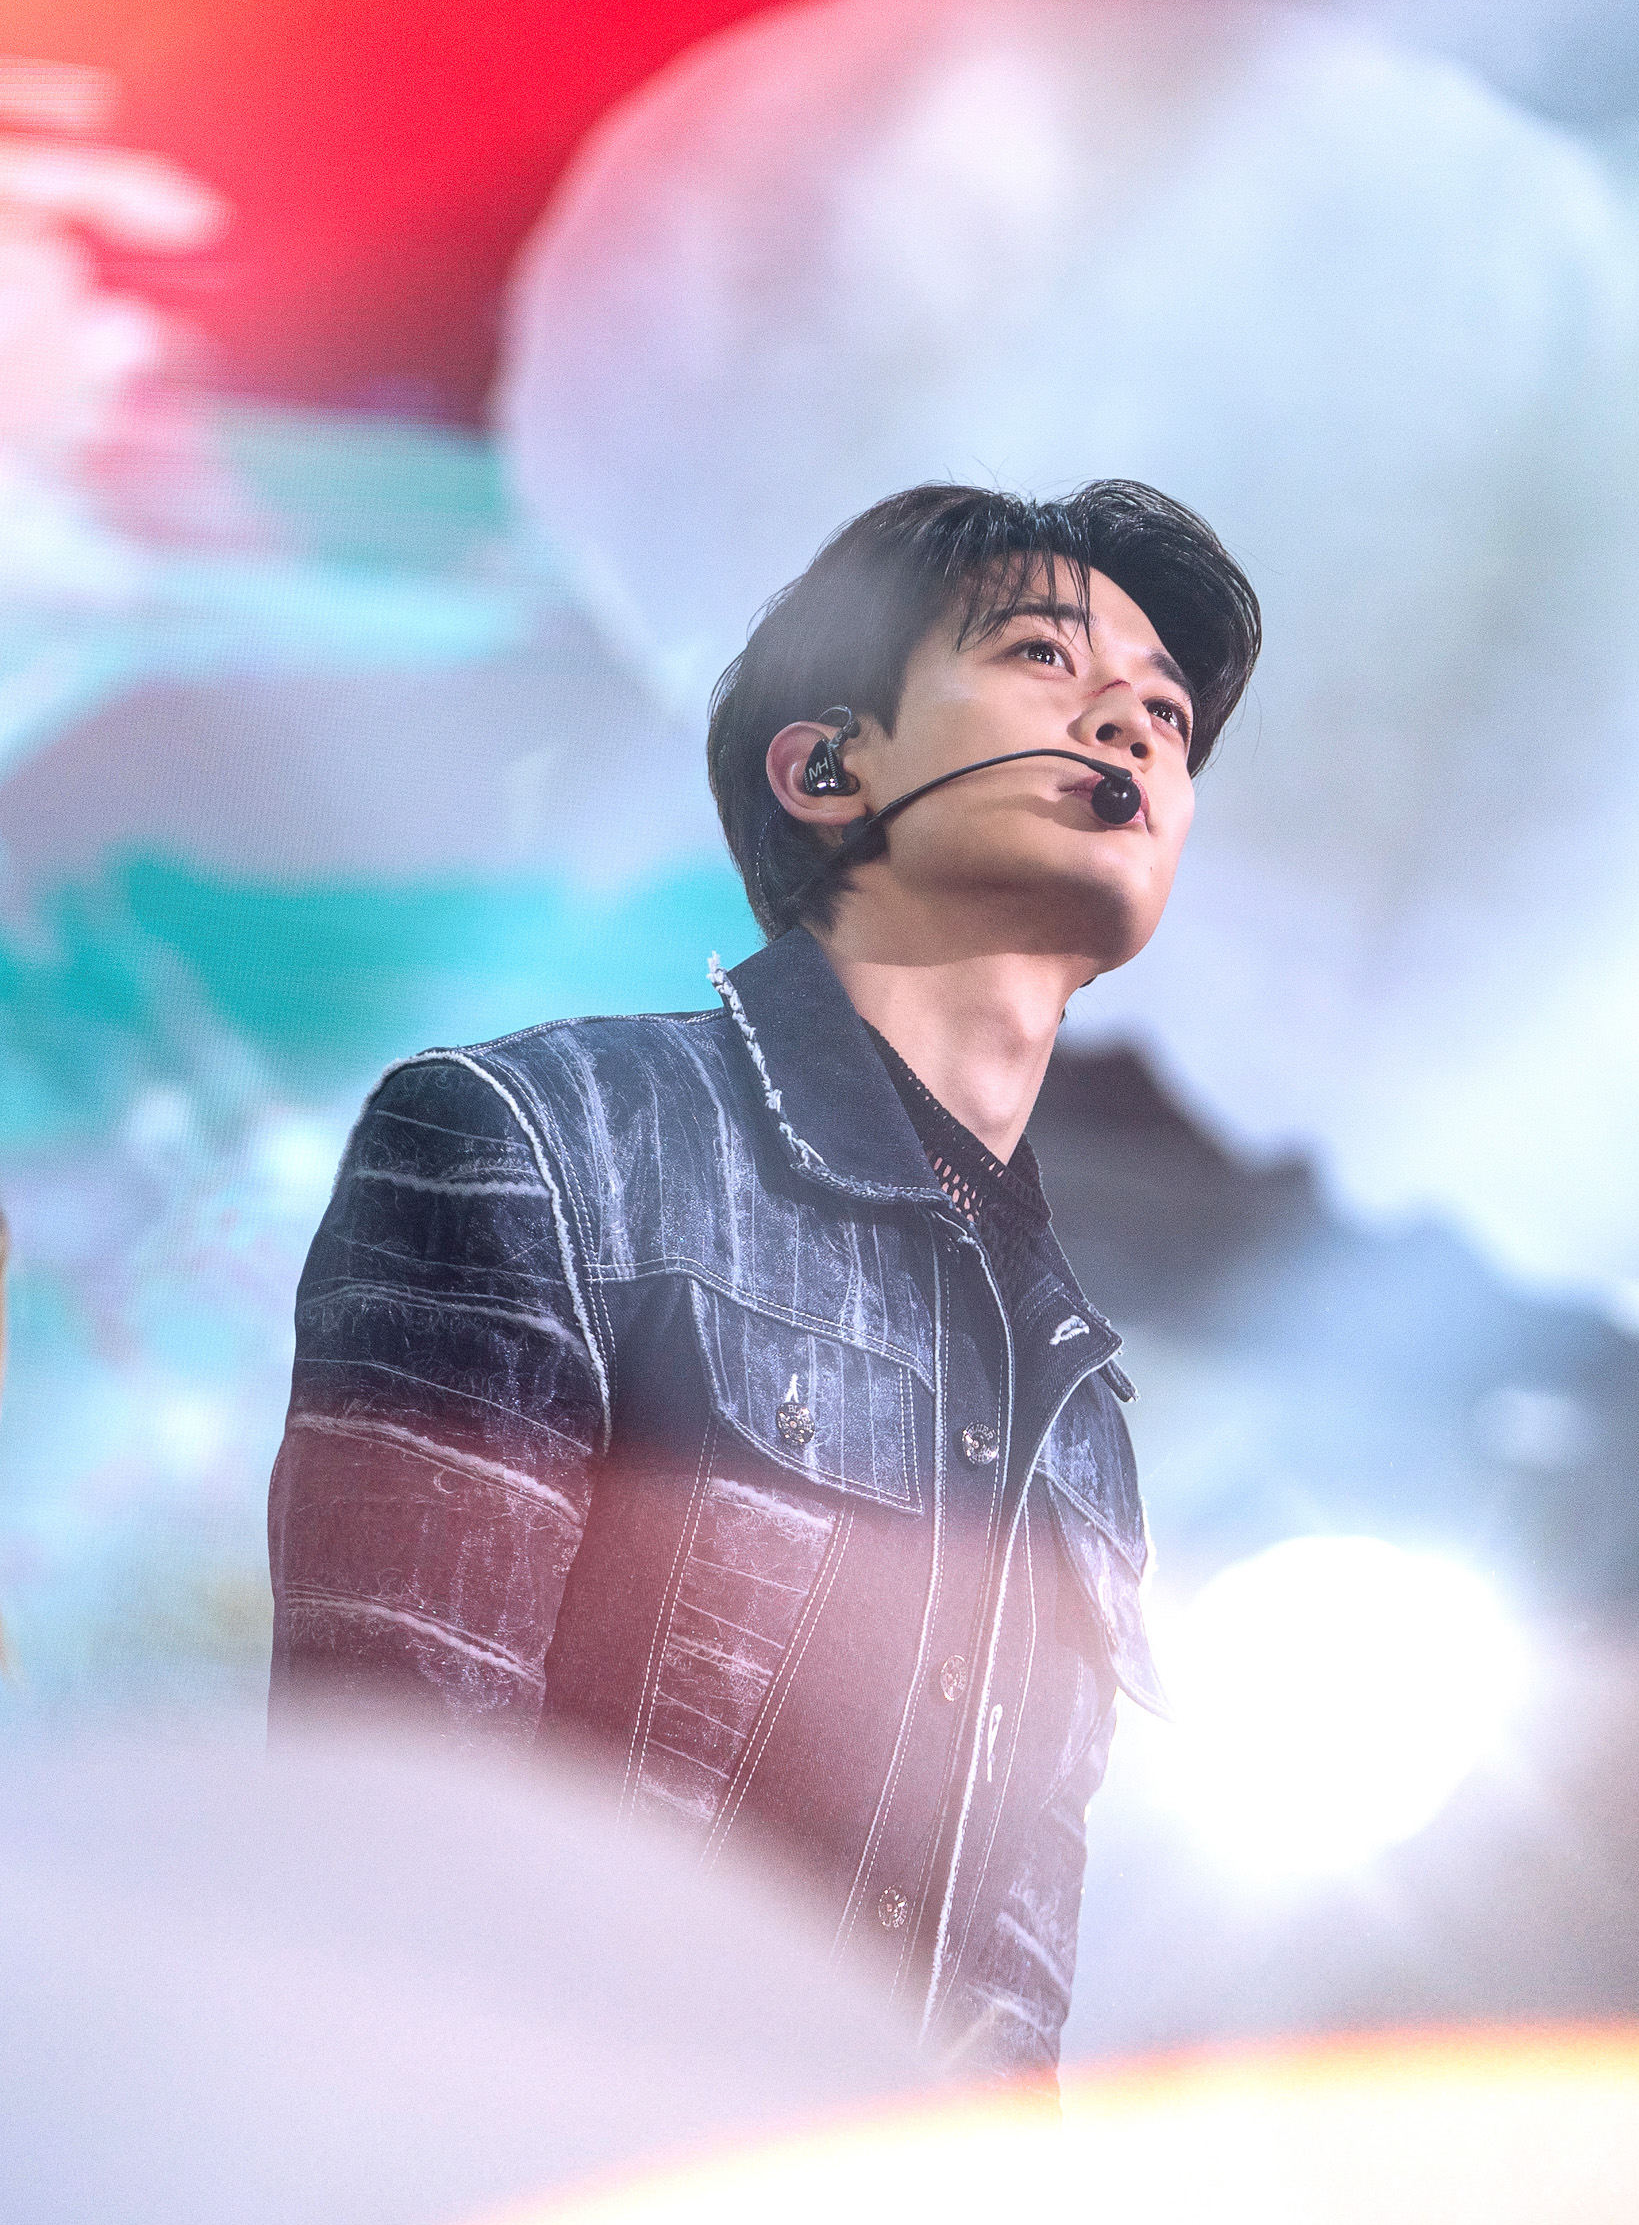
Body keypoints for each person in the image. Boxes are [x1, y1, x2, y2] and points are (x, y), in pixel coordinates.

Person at [269, 480, 1259, 2079]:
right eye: (1041, 657)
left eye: (1168, 714)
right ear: (826, 768)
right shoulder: (544, 1139)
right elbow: (390, 1833)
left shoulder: (1076, 1405)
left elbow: (1005, 2023)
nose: (1133, 726)